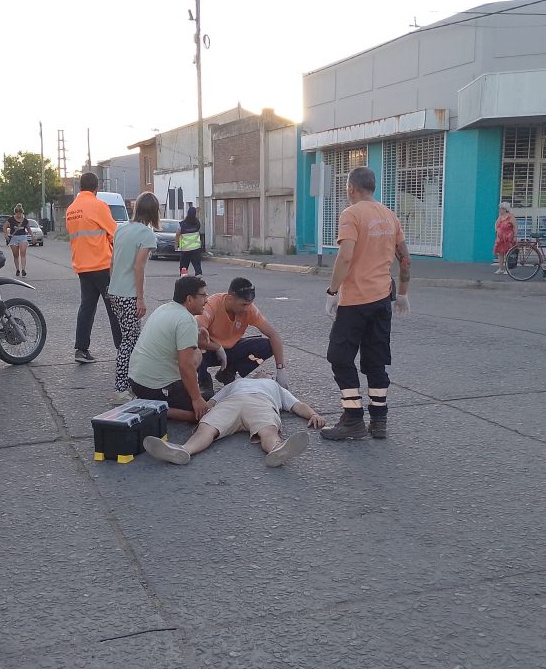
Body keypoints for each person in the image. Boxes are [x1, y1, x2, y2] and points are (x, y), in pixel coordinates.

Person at [321, 166, 411, 442]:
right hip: (383, 299)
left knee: (339, 357)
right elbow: (405, 258)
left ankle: (353, 419)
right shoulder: (390, 216)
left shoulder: (351, 214)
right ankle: (379, 421)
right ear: (372, 187)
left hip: (356, 301)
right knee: (375, 361)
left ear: (351, 188)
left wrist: (332, 291)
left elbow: (345, 257)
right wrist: (404, 293)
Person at [142, 376, 327, 468]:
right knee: (206, 427)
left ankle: (278, 449)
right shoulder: (236, 383)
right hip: (232, 401)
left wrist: (313, 414)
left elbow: (297, 405)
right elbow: (211, 403)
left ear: (270, 376)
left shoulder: (274, 386)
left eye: (266, 372)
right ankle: (183, 451)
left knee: (269, 431)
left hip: (260, 401)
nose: (262, 372)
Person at [127, 276, 210, 422]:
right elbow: (186, 365)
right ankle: (151, 408)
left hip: (136, 381)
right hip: (154, 387)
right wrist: (196, 399)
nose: (207, 300)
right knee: (202, 414)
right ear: (189, 299)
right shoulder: (186, 320)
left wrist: (200, 344)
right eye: (203, 295)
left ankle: (149, 400)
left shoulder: (164, 308)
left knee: (197, 353)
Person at [107, 191, 160, 405]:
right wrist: (140, 298)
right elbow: (139, 267)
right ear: (154, 211)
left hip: (115, 291)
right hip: (129, 295)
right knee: (129, 341)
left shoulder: (121, 229)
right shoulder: (147, 235)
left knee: (129, 339)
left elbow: (112, 263)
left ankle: (128, 384)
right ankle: (121, 389)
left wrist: (114, 286)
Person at [196, 277, 289, 399]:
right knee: (194, 349)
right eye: (243, 304)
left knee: (267, 345)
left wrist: (281, 369)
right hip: (209, 349)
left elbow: (274, 335)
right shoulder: (212, 305)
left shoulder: (249, 309)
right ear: (230, 299)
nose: (246, 309)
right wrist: (217, 347)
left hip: (230, 349)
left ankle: (228, 371)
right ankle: (204, 380)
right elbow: (193, 335)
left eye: (249, 304)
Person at [66, 172, 122, 364]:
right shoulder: (98, 206)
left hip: (82, 266)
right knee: (114, 308)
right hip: (102, 266)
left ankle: (81, 350)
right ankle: (123, 349)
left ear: (80, 187)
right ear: (96, 188)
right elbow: (114, 232)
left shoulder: (71, 209)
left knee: (87, 308)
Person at [4, 204, 31, 278]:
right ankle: (17, 269)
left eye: (20, 213)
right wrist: (6, 235)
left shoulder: (25, 220)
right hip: (14, 237)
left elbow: (28, 229)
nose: (19, 214)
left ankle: (23, 270)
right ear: (15, 212)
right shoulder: (11, 219)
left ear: (22, 212)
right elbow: (4, 227)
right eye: (17, 213)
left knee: (23, 252)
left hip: (23, 237)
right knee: (16, 255)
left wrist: (32, 236)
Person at [177, 206, 203, 276]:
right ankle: (198, 279)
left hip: (185, 249)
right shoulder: (197, 223)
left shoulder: (182, 224)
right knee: (197, 266)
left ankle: (183, 279)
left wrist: (176, 245)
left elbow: (177, 234)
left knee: (184, 266)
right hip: (195, 249)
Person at [493, 203, 517, 275]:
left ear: (505, 209)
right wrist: (497, 230)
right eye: (499, 208)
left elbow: (515, 227)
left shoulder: (511, 217)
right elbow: (496, 223)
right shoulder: (500, 216)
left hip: (508, 237)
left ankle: (507, 269)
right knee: (500, 253)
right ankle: (500, 268)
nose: (499, 210)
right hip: (500, 238)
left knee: (507, 253)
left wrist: (515, 236)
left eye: (501, 208)